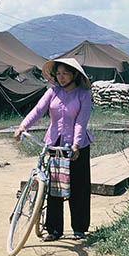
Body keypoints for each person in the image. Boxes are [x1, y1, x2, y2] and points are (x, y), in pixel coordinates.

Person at [14, 58, 94, 242]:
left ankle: (79, 228)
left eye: (65, 73)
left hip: (77, 146)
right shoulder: (52, 92)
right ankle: (54, 229)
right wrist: (23, 126)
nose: (61, 77)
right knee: (53, 187)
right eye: (58, 74)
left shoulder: (83, 94)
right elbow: (37, 111)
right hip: (54, 144)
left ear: (74, 74)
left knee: (78, 188)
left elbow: (81, 122)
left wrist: (75, 145)